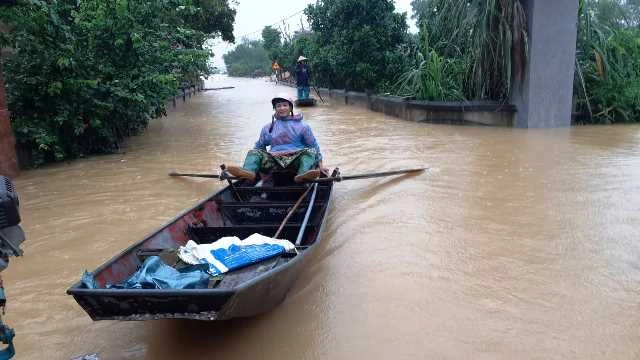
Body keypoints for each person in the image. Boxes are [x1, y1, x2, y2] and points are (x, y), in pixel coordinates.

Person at [226, 94, 327, 183]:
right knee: (253, 152)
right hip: (274, 161)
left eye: (285, 105)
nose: (282, 108)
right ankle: (249, 172)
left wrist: (320, 165)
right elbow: (259, 146)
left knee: (310, 151)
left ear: (291, 107)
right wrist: (259, 169)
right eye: (278, 106)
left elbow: (314, 146)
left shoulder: (303, 126)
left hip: (296, 161)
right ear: (275, 108)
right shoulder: (267, 127)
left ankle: (302, 175)